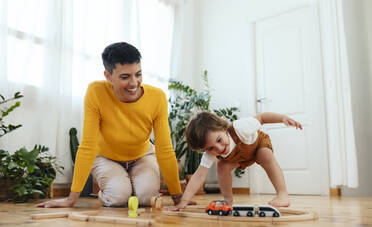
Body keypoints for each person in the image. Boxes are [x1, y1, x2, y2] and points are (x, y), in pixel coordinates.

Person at [37, 42, 184, 208]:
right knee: (118, 198)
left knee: (146, 199)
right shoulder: (96, 92)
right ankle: (115, 188)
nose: (134, 83)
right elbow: (87, 146)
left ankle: (132, 184)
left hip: (142, 155)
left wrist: (178, 197)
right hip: (106, 157)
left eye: (138, 74)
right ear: (108, 76)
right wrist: (71, 199)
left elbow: (165, 149)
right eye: (125, 77)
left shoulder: (157, 97)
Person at [171, 111, 303, 210]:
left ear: (222, 128)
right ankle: (227, 200)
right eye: (210, 148)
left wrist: (283, 118)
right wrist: (184, 200)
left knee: (265, 155)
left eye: (219, 140)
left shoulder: (241, 128)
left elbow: (262, 118)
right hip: (240, 158)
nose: (219, 148)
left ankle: (282, 194)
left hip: (257, 145)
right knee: (222, 167)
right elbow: (199, 176)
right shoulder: (210, 153)